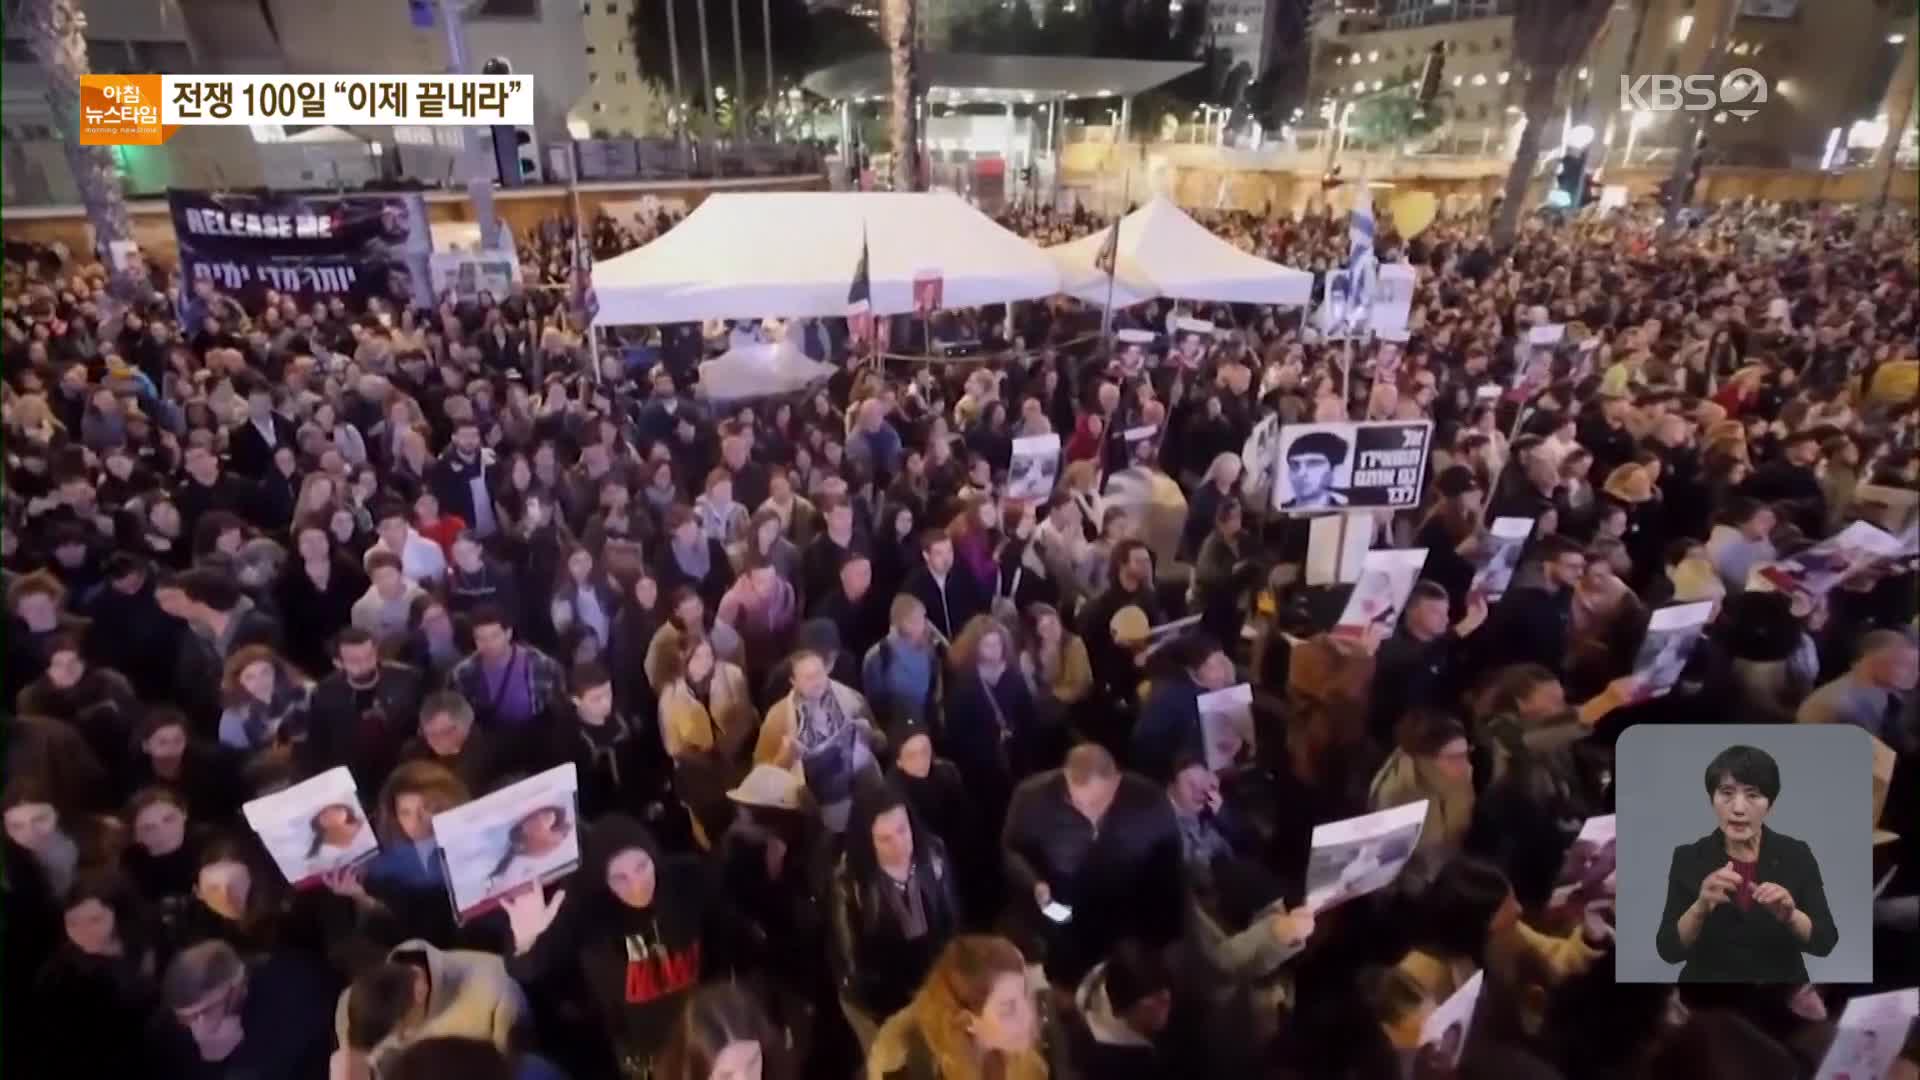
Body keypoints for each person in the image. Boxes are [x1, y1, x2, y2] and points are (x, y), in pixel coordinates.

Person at [502, 815, 722, 1080]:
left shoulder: (685, 882)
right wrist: (526, 940)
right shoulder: (588, 915)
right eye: (620, 878)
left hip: (702, 1041)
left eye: (642, 867)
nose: (637, 885)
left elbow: (729, 928)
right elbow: (529, 968)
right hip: (642, 1062)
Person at [1655, 744, 1840, 982]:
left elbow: (1825, 942)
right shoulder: (1689, 857)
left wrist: (1791, 916)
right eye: (1726, 793)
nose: (1738, 808)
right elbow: (1668, 950)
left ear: (1770, 804)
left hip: (1779, 995)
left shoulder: (1796, 853)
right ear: (1712, 799)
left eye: (1753, 795)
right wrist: (1699, 908)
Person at [1001, 744, 1183, 985]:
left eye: (1099, 802)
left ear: (1117, 780)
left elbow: (1171, 872)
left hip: (1129, 927)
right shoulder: (1031, 796)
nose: (1089, 812)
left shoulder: (1150, 800)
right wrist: (1035, 884)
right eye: (1079, 803)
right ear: (1065, 777)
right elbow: (1011, 850)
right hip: (1064, 928)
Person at [831, 785, 964, 1050]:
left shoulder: (933, 853)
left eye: (903, 830)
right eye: (885, 839)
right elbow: (852, 960)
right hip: (881, 995)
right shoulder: (849, 882)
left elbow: (952, 918)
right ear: (868, 840)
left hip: (933, 977)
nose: (900, 845)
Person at [331, 939, 531, 1079]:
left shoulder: (498, 998)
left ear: (420, 989)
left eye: (403, 1030)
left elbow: (504, 1070)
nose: (403, 1040)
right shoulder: (353, 1008)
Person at [865, 935, 1046, 1080]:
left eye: (1024, 994)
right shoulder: (912, 1069)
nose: (1028, 1016)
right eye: (1008, 1009)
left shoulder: (1018, 1054)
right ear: (967, 1021)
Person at [156, 938, 337, 1080]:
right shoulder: (173, 1037)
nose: (198, 1027)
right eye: (186, 1019)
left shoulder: (294, 988)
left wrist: (221, 1060)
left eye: (204, 1012)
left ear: (236, 986)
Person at [1796, 628, 1918, 755]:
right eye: (1904, 665)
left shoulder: (1885, 691)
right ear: (1874, 661)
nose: (1914, 674)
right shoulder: (1835, 707)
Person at [1069, 939, 1176, 1080]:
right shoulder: (1121, 1064)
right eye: (1150, 1005)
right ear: (1121, 1012)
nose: (1164, 1007)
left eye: (1163, 997)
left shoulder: (1105, 976)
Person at [1279, 430, 1351, 509]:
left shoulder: (1347, 513)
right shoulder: (1278, 511)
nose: (1301, 474)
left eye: (1313, 464)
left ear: (1334, 470)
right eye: (1295, 465)